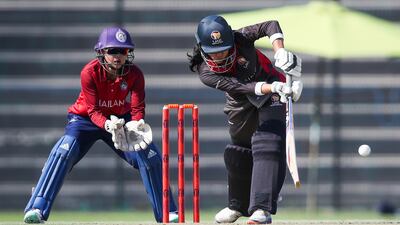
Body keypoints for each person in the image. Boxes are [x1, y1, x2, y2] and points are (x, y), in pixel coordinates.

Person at [23, 27, 178, 223]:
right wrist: (107, 125)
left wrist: (137, 125)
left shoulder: (135, 74)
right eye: (112, 50)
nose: (118, 56)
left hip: (122, 119)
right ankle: (37, 208)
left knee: (150, 154)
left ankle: (167, 213)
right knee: (64, 151)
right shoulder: (89, 72)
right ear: (102, 52)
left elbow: (137, 107)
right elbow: (93, 111)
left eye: (123, 51)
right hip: (85, 119)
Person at [188, 15, 303, 224]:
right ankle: (237, 206)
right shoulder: (205, 72)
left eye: (225, 48)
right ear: (203, 50)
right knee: (238, 151)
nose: (222, 56)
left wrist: (280, 51)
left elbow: (270, 25)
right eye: (215, 53)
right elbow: (240, 88)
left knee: (268, 142)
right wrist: (276, 87)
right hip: (241, 100)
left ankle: (261, 209)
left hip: (272, 89)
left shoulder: (241, 37)